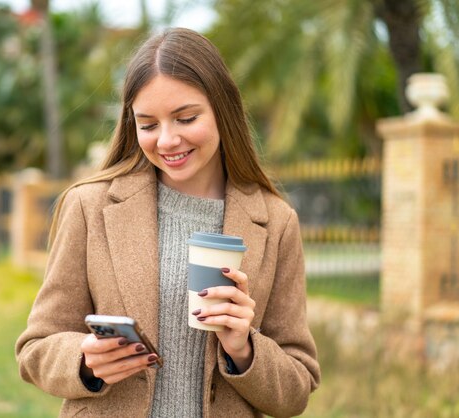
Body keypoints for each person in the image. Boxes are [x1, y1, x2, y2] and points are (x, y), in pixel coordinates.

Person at [16, 27, 320, 417]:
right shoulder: (88, 207)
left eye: (186, 118)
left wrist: (244, 348)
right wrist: (84, 360)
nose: (166, 140)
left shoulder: (276, 223)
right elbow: (35, 348)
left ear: (222, 110)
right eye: (148, 124)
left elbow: (297, 391)